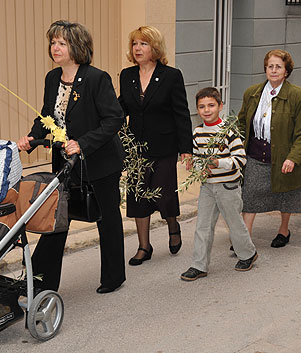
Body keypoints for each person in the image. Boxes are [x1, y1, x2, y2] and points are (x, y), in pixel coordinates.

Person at [17, 20, 126, 294]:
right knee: (57, 218)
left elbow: (114, 119)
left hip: (100, 161)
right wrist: (31, 138)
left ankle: (114, 277)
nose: (55, 47)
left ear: (76, 46)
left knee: (107, 219)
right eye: (53, 42)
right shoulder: (52, 78)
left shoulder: (96, 78)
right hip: (66, 164)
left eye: (61, 43)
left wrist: (83, 143)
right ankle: (40, 281)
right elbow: (47, 115)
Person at [117, 26, 193, 265]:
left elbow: (181, 113)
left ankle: (172, 226)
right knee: (137, 195)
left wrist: (186, 149)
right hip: (136, 148)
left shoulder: (171, 75)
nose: (137, 48)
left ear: (155, 48)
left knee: (164, 193)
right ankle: (144, 246)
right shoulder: (126, 75)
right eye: (135, 44)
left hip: (164, 146)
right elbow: (122, 109)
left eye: (144, 44)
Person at [180, 87, 257, 282]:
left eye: (211, 105)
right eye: (202, 106)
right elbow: (198, 158)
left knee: (234, 222)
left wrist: (218, 163)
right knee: (203, 226)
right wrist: (199, 166)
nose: (206, 110)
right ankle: (199, 265)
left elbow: (240, 159)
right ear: (197, 109)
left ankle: (248, 254)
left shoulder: (228, 132)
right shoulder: (197, 133)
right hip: (207, 186)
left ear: (220, 106)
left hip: (228, 186)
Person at [237, 49, 301, 247]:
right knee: (249, 196)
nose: (274, 70)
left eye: (278, 66)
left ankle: (283, 230)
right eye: (270, 66)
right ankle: (244, 239)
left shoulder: (299, 96)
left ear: (287, 71)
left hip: (283, 156)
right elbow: (242, 124)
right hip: (255, 154)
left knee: (285, 196)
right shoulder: (252, 93)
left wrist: (293, 158)